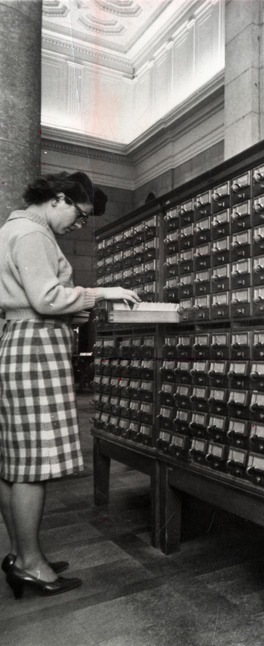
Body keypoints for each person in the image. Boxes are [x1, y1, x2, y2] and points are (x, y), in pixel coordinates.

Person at [0, 171, 139, 599]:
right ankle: (30, 563)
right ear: (59, 198)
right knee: (31, 466)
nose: (77, 226)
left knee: (13, 463)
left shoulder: (13, 228)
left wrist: (74, 306)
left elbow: (38, 299)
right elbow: (44, 299)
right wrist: (103, 292)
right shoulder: (33, 235)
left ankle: (23, 553)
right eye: (79, 216)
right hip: (35, 348)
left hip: (18, 342)